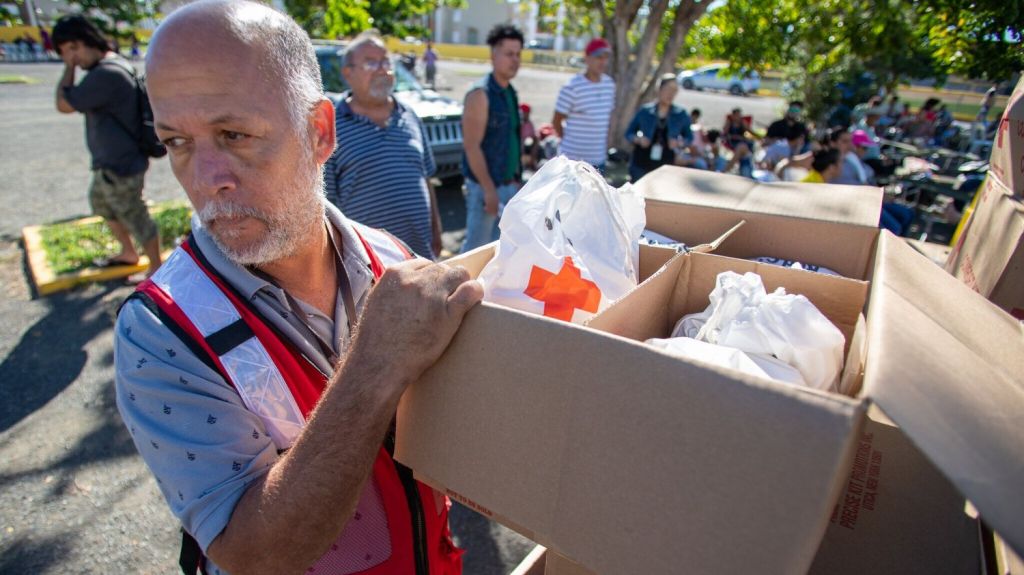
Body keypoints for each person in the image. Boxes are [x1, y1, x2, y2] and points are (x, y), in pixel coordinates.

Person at [114, 2, 481, 574]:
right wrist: (374, 366)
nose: (208, 180)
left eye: (234, 135)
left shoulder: (391, 258)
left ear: (319, 132)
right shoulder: (159, 331)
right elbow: (254, 556)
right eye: (177, 142)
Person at [53, 14, 162, 282]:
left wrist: (68, 68)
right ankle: (129, 253)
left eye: (69, 51)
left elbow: (63, 104)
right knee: (103, 205)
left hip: (122, 164)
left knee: (134, 214)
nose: (71, 59)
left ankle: (156, 269)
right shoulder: (112, 66)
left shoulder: (106, 74)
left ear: (80, 43)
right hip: (111, 163)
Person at [323, 31, 443, 259]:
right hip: (368, 262)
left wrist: (436, 229)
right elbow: (325, 201)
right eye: (371, 63)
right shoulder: (331, 125)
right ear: (348, 73)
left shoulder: (409, 115)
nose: (382, 69)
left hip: (420, 255)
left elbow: (426, 177)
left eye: (386, 62)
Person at [460, 24, 524, 253]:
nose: (515, 60)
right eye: (509, 54)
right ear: (493, 55)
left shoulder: (510, 92)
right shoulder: (480, 94)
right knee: (476, 252)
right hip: (485, 188)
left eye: (518, 54)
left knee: (501, 252)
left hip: (507, 186)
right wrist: (489, 190)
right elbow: (472, 146)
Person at [551, 37, 616, 171]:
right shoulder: (572, 86)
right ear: (587, 58)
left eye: (605, 57)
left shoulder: (609, 85)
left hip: (598, 160)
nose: (603, 62)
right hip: (571, 161)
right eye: (598, 57)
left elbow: (607, 118)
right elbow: (557, 120)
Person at [624, 73, 693, 181]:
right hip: (641, 163)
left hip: (665, 164)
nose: (671, 94)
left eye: (674, 91)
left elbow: (689, 137)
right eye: (668, 89)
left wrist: (679, 143)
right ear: (659, 89)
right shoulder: (645, 111)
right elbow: (629, 133)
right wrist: (639, 139)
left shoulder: (681, 114)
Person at [722, 107, 756, 177]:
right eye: (737, 115)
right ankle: (728, 169)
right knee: (741, 149)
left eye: (739, 115)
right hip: (732, 142)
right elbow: (724, 133)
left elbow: (751, 133)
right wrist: (728, 123)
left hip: (743, 142)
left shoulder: (742, 122)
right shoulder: (730, 122)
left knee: (741, 147)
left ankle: (726, 169)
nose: (738, 117)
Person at [520, 103, 540, 170]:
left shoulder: (529, 123)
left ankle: (532, 162)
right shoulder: (517, 123)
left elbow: (535, 136)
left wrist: (533, 152)